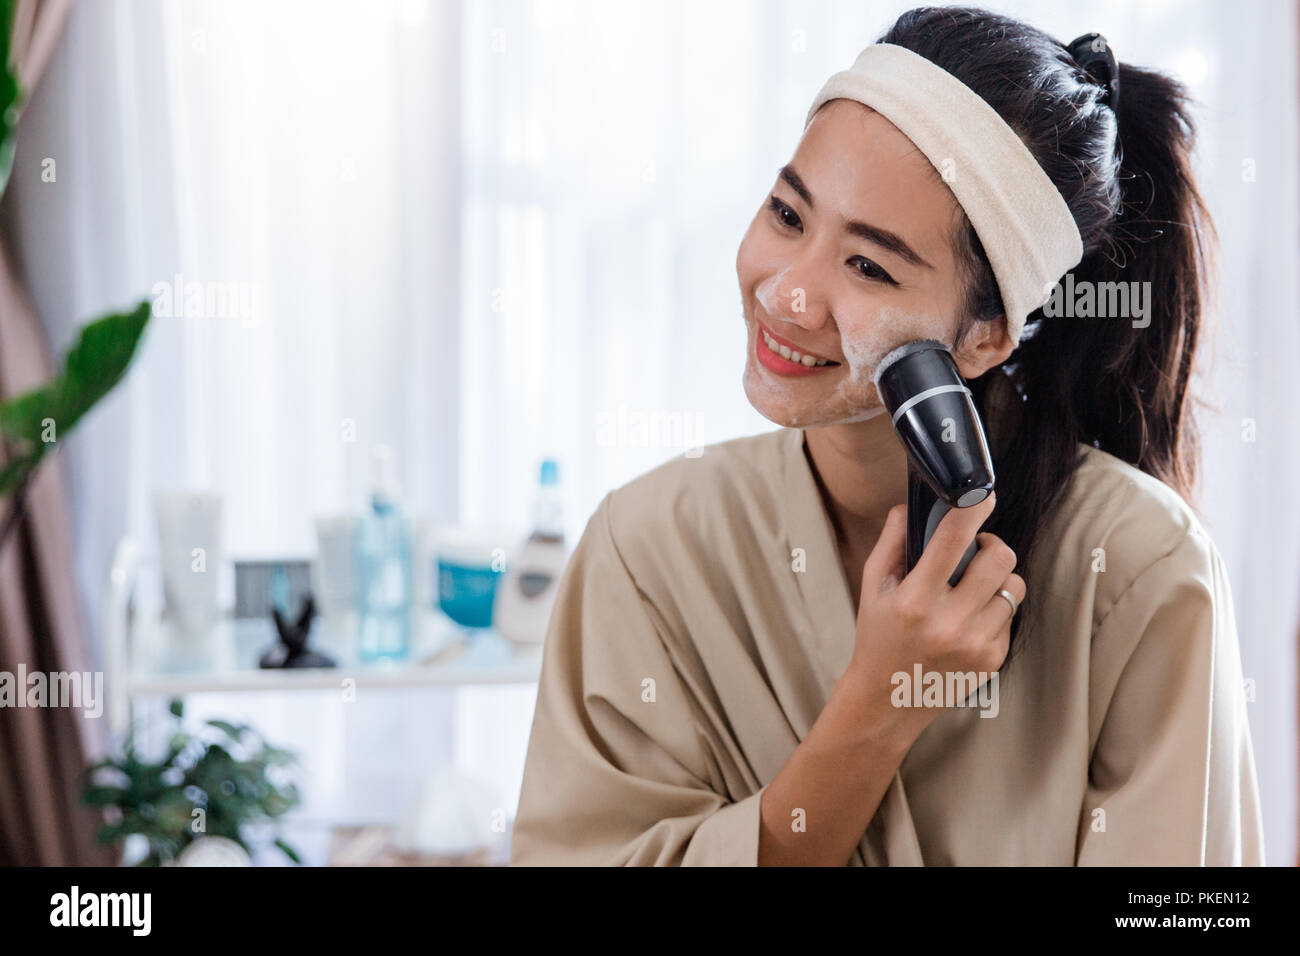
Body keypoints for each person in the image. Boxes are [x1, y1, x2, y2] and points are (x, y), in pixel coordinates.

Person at [510, 5, 1265, 866]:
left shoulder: (1140, 569)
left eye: (868, 265)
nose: (788, 292)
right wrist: (880, 702)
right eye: (788, 216)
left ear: (987, 335)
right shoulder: (646, 551)